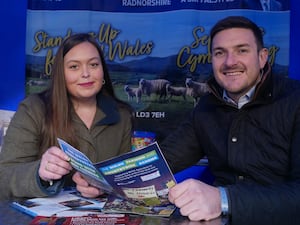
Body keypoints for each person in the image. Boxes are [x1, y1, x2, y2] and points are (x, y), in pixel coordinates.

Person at [161, 16, 300, 224]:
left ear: (262, 57)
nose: (229, 62)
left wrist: (224, 200)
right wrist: (101, 180)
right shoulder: (206, 108)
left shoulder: (295, 100)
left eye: (241, 50)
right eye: (220, 53)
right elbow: (162, 161)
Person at [0, 33, 133, 200]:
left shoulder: (122, 114)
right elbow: (3, 178)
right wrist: (39, 174)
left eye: (93, 64)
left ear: (102, 72)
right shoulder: (33, 109)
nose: (86, 74)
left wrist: (105, 187)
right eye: (74, 67)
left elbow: (124, 178)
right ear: (61, 74)